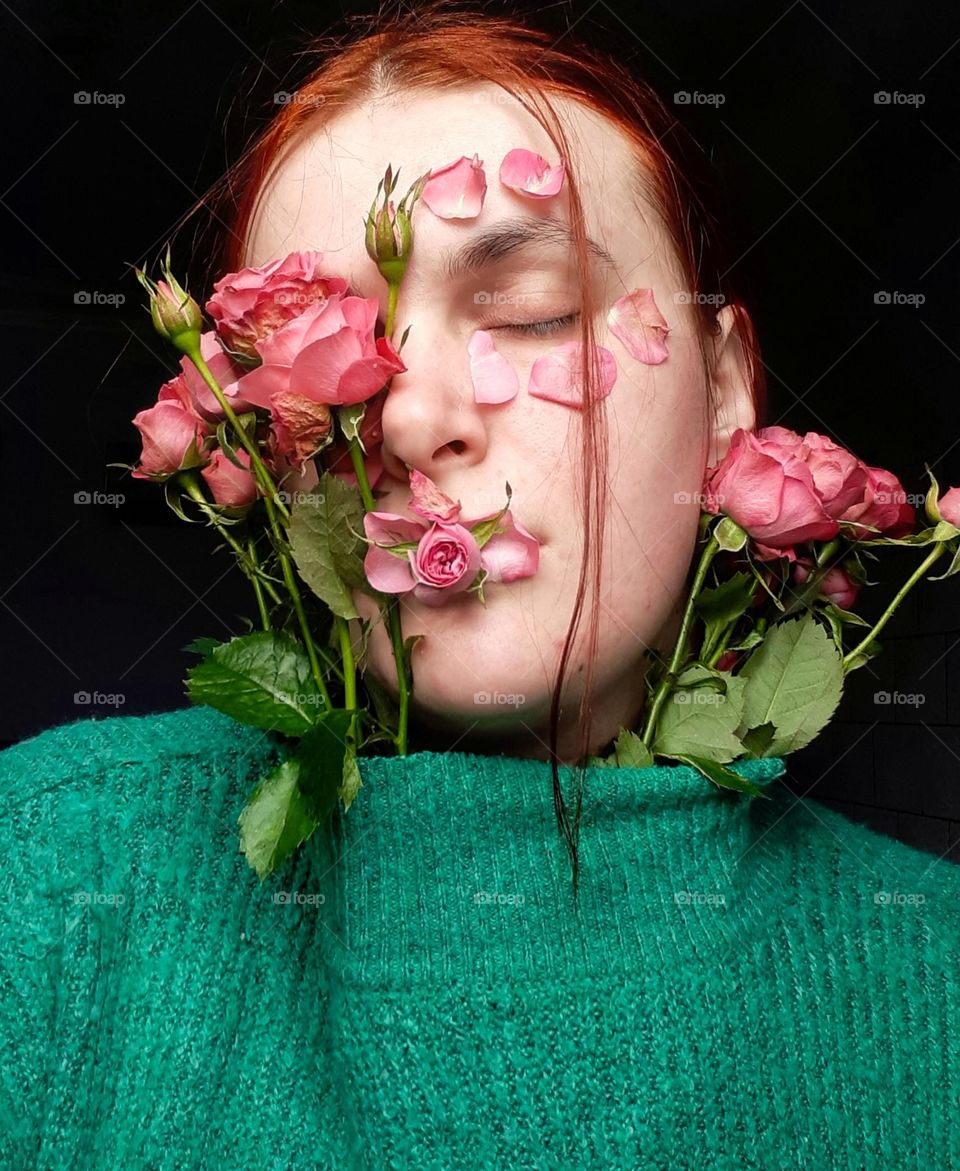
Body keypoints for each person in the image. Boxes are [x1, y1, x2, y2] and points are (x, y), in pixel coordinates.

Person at [2, 5, 959, 1169]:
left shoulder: (933, 988)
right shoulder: (55, 880)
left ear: (721, 388)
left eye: (531, 312)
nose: (412, 417)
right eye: (320, 358)